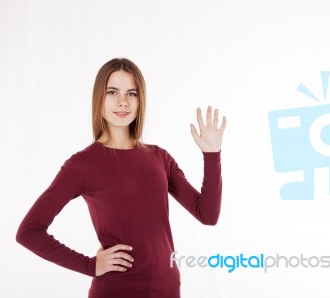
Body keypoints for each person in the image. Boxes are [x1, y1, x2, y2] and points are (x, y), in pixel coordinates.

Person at [15, 57, 227, 298]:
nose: (123, 102)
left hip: (167, 289)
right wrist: (90, 265)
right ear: (100, 98)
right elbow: (29, 232)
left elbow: (208, 215)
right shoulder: (82, 165)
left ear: (140, 100)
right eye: (113, 92)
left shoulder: (159, 157)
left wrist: (212, 155)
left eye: (132, 93)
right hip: (116, 291)